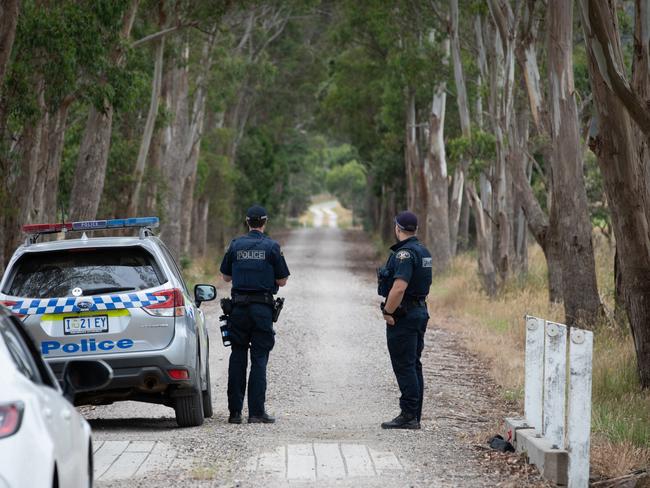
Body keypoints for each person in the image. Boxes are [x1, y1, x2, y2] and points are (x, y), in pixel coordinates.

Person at [220, 205, 290, 424]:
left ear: (247, 221)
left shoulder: (235, 245)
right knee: (259, 358)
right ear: (264, 222)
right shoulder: (272, 247)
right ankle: (257, 413)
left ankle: (234, 413)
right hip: (262, 310)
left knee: (238, 355)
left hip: (238, 309)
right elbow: (282, 280)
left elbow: (225, 276)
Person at [377, 211, 432, 429]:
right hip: (419, 311)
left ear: (397, 228)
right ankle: (414, 413)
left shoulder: (404, 254)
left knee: (405, 365)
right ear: (415, 229)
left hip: (405, 315)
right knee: (414, 364)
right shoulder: (423, 251)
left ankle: (408, 415)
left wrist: (388, 311)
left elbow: (399, 287)